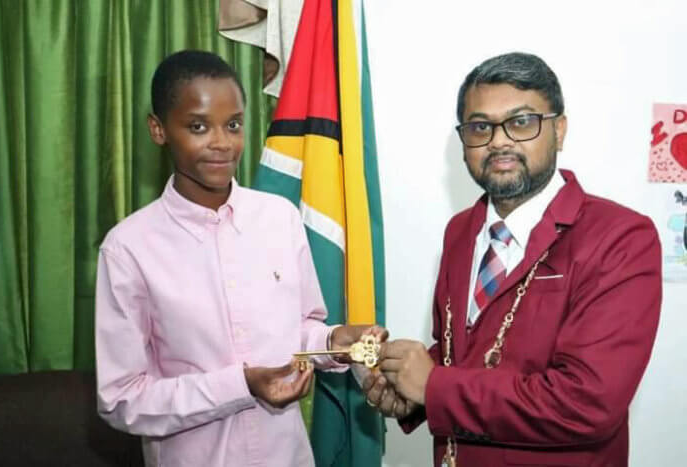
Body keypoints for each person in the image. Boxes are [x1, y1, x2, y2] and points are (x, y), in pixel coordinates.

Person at [362, 52, 661, 466]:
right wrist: (406, 391)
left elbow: (587, 403)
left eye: (521, 122)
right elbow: (464, 355)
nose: (499, 140)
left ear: (559, 130)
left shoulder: (621, 237)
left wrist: (433, 387)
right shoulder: (460, 230)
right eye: (480, 126)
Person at [95, 50, 383, 467]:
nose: (221, 143)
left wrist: (332, 343)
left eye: (233, 125)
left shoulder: (279, 217)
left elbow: (298, 331)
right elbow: (122, 398)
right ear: (158, 130)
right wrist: (240, 385)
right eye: (198, 126)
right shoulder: (128, 248)